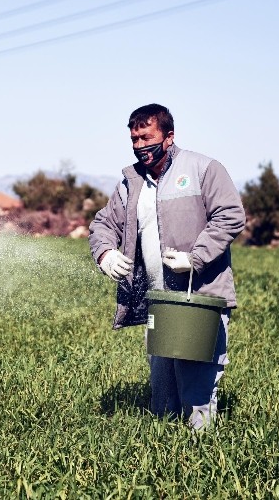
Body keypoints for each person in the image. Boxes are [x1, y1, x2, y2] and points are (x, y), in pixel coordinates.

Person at [88, 103, 245, 430]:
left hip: (199, 299)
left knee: (198, 388)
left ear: (169, 136)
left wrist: (195, 257)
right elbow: (104, 223)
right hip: (159, 301)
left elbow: (230, 216)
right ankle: (165, 460)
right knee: (162, 396)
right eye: (134, 139)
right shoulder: (131, 182)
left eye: (147, 137)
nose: (140, 146)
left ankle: (201, 462)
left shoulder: (203, 169)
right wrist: (104, 253)